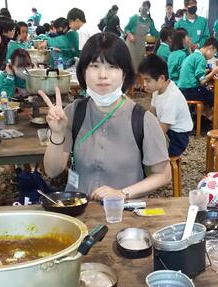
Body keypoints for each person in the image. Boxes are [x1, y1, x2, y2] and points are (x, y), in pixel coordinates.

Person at [39, 32, 171, 200]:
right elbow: (52, 171)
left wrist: (122, 193)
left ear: (124, 73)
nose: (102, 75)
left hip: (124, 212)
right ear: (83, 71)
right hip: (78, 208)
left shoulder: (143, 120)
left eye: (112, 66)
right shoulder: (73, 112)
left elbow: (163, 175)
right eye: (94, 66)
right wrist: (57, 134)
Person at [139, 54, 192, 157]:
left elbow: (161, 130)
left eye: (147, 80)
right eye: (143, 80)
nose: (144, 84)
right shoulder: (157, 89)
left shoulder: (172, 97)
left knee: (144, 150)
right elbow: (152, 112)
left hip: (177, 138)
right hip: (166, 130)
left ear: (161, 78)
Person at [177, 37, 218, 121]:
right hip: (190, 90)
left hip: (183, 89)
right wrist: (213, 72)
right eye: (214, 53)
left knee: (208, 93)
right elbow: (202, 81)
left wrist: (207, 71)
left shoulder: (193, 55)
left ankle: (202, 120)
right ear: (210, 48)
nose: (213, 56)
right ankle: (208, 120)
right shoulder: (201, 59)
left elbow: (194, 72)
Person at [124, 1, 159, 70]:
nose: (144, 8)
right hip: (131, 42)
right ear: (140, 7)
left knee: (139, 63)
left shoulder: (150, 21)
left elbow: (154, 33)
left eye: (146, 7)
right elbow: (126, 28)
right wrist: (130, 35)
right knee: (130, 62)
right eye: (143, 6)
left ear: (148, 9)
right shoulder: (134, 18)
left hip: (141, 44)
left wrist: (164, 33)